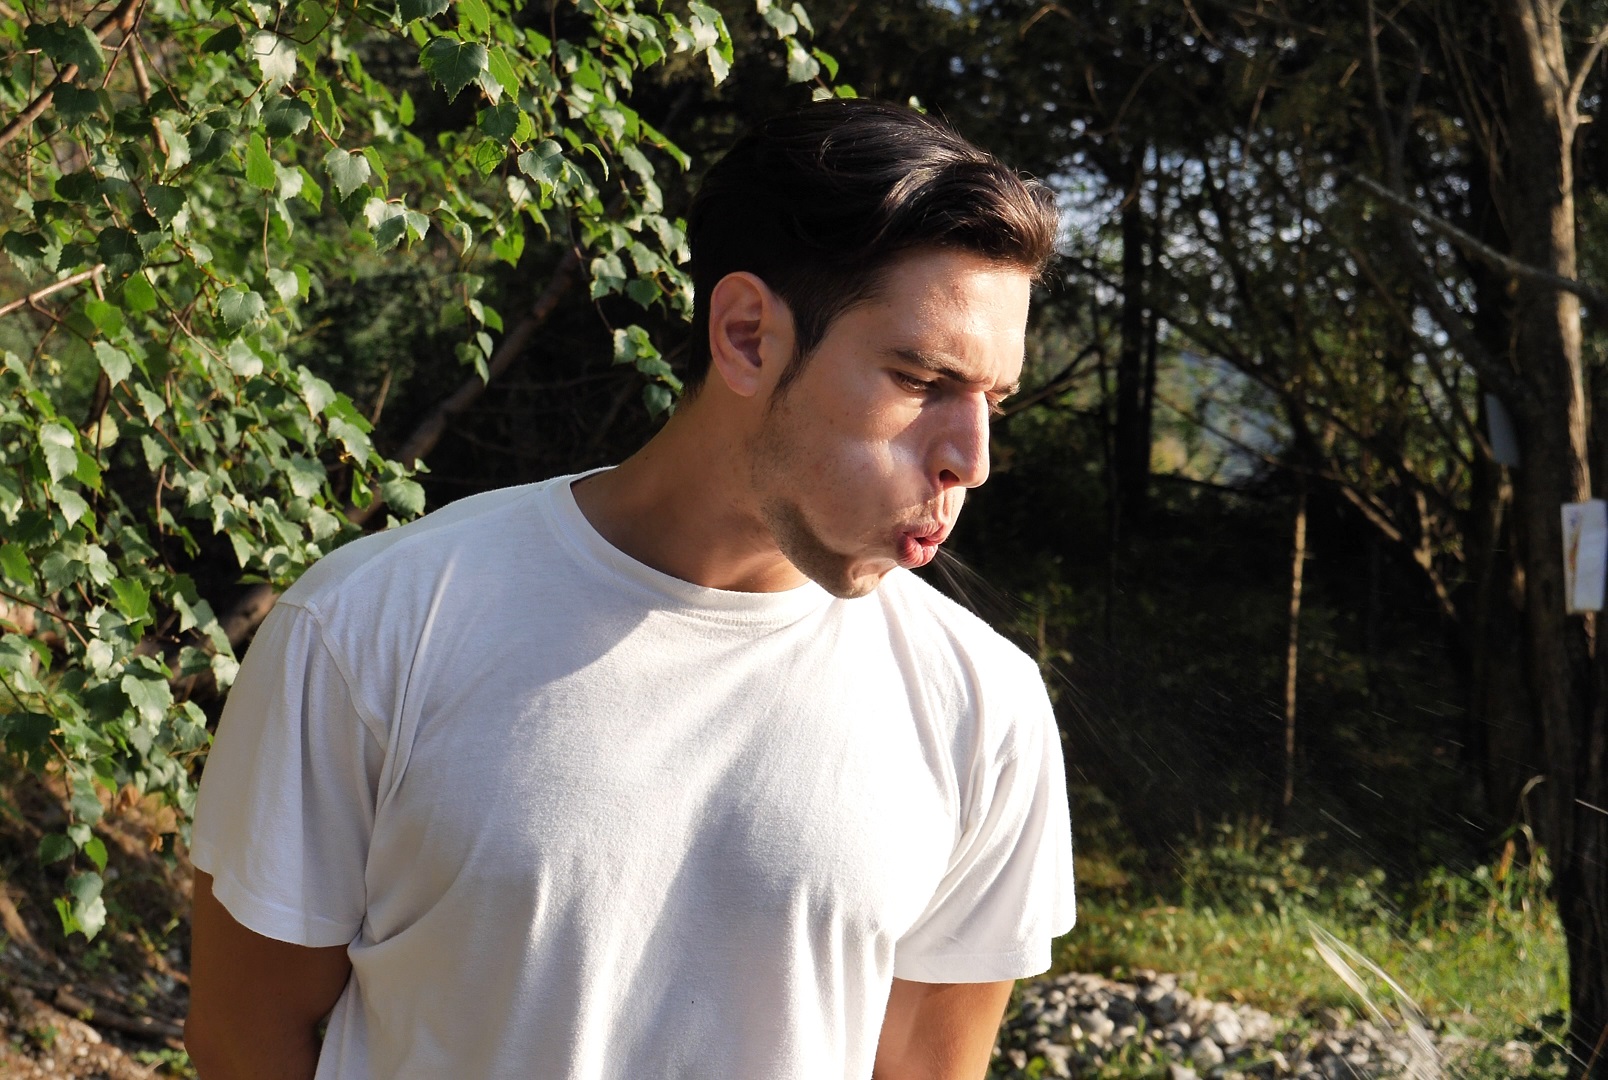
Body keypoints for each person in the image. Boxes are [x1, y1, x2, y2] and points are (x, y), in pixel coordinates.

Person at [183, 99, 1075, 1080]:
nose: (972, 460)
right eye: (921, 379)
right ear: (744, 334)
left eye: (992, 401)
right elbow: (245, 1040)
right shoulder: (373, 627)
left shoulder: (983, 709)